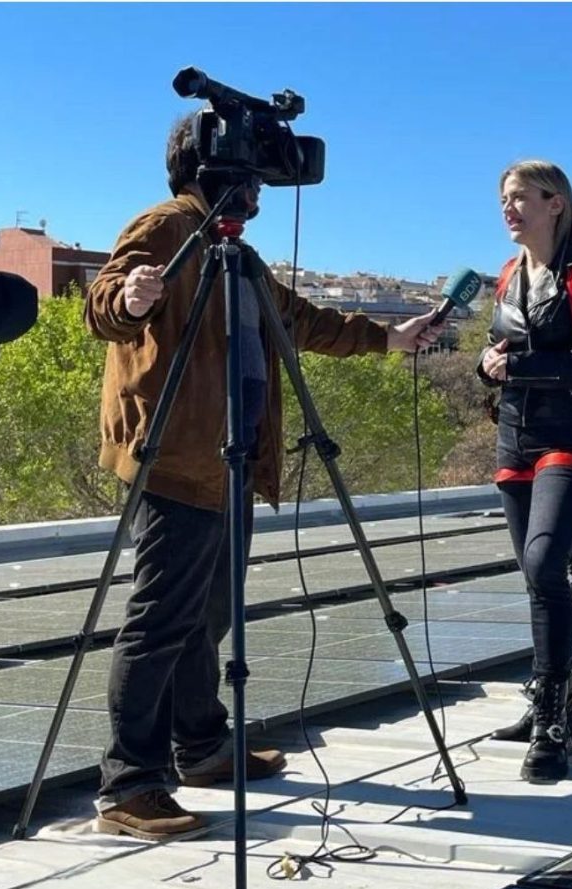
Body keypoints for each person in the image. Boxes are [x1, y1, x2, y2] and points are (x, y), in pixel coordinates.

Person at [85, 113, 442, 840]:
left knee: (208, 617)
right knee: (158, 623)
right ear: (209, 169)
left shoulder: (237, 254)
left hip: (234, 461)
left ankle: (203, 745)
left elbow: (298, 320)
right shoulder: (167, 225)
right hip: (178, 460)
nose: (259, 191)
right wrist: (131, 301)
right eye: (250, 176)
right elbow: (109, 300)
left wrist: (387, 337)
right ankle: (129, 785)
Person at [478, 160, 572, 783]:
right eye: (504, 199)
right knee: (537, 576)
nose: (509, 209)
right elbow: (505, 354)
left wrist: (522, 368)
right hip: (515, 437)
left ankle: (553, 721)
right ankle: (551, 697)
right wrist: (490, 365)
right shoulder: (510, 275)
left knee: (546, 563)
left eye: (520, 198)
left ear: (556, 203)